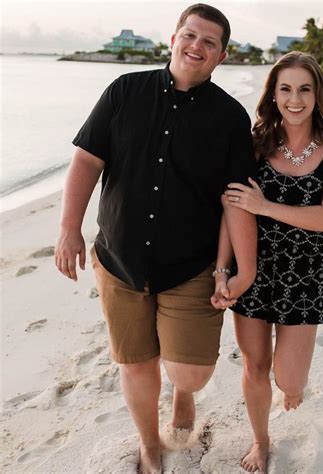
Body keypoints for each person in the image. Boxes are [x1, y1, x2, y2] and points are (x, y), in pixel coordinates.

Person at [54, 4, 257, 473]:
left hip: (190, 265)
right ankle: (149, 442)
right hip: (119, 261)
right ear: (173, 39)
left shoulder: (229, 117)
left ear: (221, 56)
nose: (196, 46)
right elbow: (86, 161)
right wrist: (69, 229)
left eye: (209, 42)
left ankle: (183, 396)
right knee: (137, 363)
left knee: (192, 371)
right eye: (190, 35)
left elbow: (235, 200)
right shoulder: (125, 91)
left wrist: (239, 267)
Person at [211, 51, 323, 472]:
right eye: (286, 89)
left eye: (304, 89)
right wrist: (223, 269)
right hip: (254, 266)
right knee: (255, 365)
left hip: (305, 274)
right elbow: (232, 208)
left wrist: (266, 205)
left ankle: (291, 386)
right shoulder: (255, 143)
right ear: (273, 94)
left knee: (289, 379)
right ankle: (260, 440)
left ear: (317, 94)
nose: (295, 99)